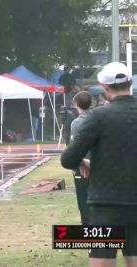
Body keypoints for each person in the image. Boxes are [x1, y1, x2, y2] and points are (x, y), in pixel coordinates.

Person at [61, 62, 137, 267]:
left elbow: (68, 159)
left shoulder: (98, 117)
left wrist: (83, 161)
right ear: (130, 82)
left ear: (105, 87)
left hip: (106, 205)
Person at [69, 91, 92, 225]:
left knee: (84, 204)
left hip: (83, 166)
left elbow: (75, 147)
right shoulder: (99, 119)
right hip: (99, 164)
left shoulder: (76, 123)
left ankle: (89, 233)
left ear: (76, 104)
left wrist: (75, 164)